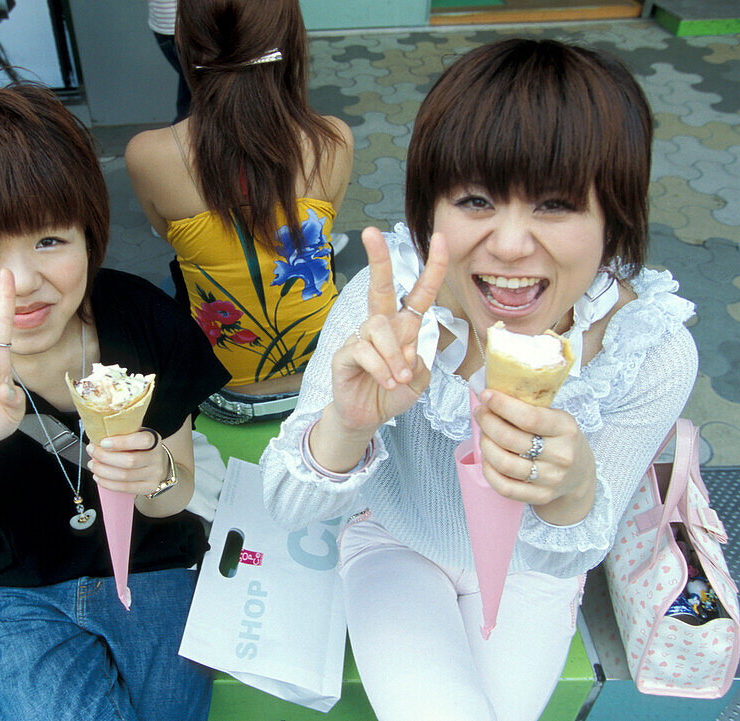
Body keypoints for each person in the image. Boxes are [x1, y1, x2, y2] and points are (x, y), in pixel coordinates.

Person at [260, 39, 698, 721]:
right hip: (398, 541)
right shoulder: (386, 311)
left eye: (555, 204)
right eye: (475, 199)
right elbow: (287, 503)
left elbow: (576, 548)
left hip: (536, 573)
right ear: (429, 212)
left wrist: (574, 486)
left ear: (613, 221)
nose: (512, 244)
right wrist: (349, 423)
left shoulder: (651, 350)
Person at [0, 83, 228, 721]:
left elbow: (175, 495)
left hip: (156, 570)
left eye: (49, 241)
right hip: (22, 598)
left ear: (89, 234)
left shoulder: (146, 321)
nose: (24, 284)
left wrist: (157, 471)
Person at [125, 0, 353, 424]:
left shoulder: (148, 155)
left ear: (184, 43)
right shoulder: (333, 140)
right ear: (292, 40)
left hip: (221, 393)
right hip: (329, 381)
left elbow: (173, 240)